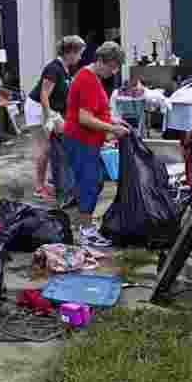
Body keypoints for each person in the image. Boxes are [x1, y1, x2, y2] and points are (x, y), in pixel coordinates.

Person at [64, 42, 129, 246]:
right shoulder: (87, 80)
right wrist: (111, 129)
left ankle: (85, 223)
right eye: (112, 66)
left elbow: (95, 111)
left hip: (87, 140)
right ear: (101, 61)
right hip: (81, 140)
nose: (114, 71)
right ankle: (86, 231)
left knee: (96, 180)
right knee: (89, 183)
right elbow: (84, 118)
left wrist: (113, 121)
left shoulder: (92, 77)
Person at [24, 35, 85, 201]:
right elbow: (44, 95)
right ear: (69, 52)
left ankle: (46, 182)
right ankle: (38, 187)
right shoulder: (54, 68)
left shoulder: (65, 69)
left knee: (50, 147)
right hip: (37, 108)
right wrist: (50, 119)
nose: (80, 57)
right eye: (79, 53)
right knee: (42, 149)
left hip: (48, 109)